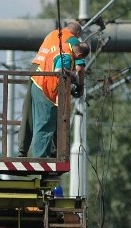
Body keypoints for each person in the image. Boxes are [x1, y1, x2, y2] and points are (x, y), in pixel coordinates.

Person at [18, 21, 85, 157]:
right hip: (50, 76)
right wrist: (80, 85)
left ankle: (22, 150)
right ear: (77, 34)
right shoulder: (72, 40)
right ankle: (54, 152)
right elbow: (79, 67)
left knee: (29, 113)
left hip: (36, 70)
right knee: (52, 114)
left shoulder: (52, 34)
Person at [29, 41, 89, 158]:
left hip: (38, 84)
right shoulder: (67, 56)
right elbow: (59, 71)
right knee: (45, 125)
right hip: (45, 90)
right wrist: (74, 76)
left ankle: (42, 155)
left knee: (41, 124)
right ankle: (40, 158)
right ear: (80, 55)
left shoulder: (62, 46)